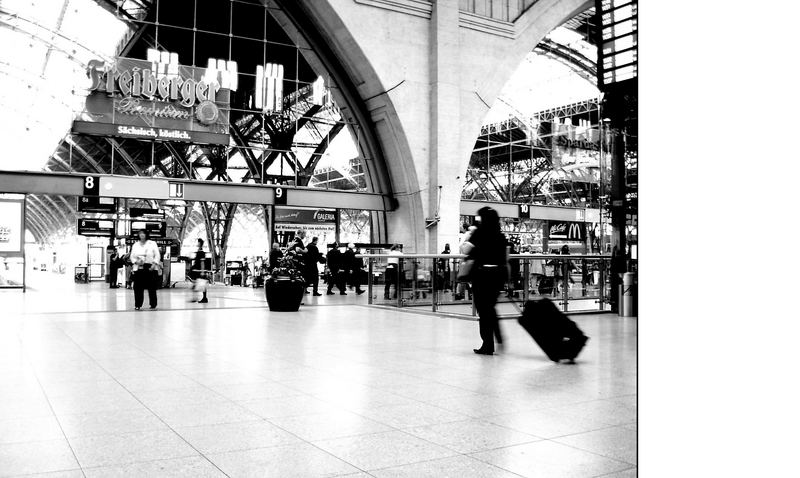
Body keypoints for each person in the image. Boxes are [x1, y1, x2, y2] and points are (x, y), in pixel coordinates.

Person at [463, 207, 508, 355]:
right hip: (497, 276)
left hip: (482, 276)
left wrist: (468, 235)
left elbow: (465, 250)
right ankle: (498, 337)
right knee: (490, 308)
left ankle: (488, 344)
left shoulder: (479, 233)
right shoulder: (500, 236)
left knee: (484, 310)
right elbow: (504, 258)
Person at [130, 230, 161, 310]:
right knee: (138, 287)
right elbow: (132, 256)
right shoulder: (135, 245)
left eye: (143, 233)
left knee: (152, 288)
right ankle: (138, 304)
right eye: (140, 234)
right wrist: (136, 261)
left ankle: (153, 304)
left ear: (146, 234)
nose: (142, 235)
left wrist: (154, 264)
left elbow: (157, 255)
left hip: (151, 267)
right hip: (139, 268)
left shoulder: (152, 243)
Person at [190, 238, 208, 303]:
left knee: (201, 284)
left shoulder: (201, 253)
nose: (197, 244)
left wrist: (202, 272)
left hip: (199, 271)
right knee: (198, 284)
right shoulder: (199, 252)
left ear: (200, 243)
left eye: (198, 242)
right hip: (197, 270)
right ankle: (201, 297)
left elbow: (202, 262)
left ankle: (203, 298)